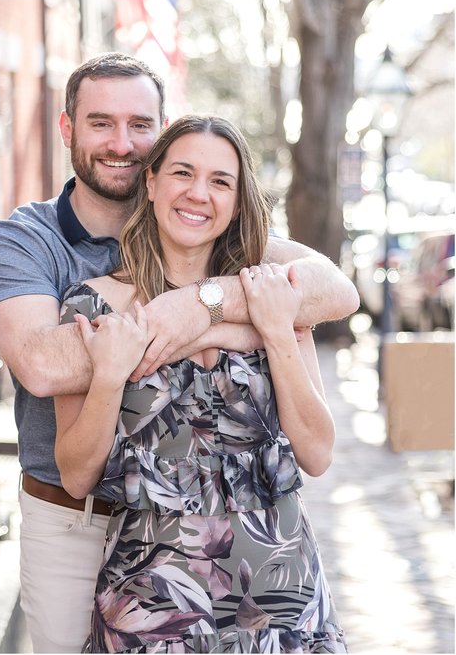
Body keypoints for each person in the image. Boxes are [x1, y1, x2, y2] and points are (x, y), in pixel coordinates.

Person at [0, 53, 358, 653]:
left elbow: (337, 296)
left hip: (277, 584)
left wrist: (209, 313)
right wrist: (210, 323)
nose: (121, 142)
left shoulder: (269, 291)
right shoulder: (36, 252)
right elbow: (43, 368)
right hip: (123, 561)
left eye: (139, 125)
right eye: (101, 122)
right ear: (68, 128)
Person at [55, 114, 346, 652]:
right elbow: (75, 476)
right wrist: (108, 378)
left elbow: (318, 452)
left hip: (280, 593)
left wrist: (277, 331)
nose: (198, 194)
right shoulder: (95, 306)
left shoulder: (271, 295)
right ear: (151, 181)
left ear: (238, 200)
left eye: (220, 181)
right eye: (183, 173)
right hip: (152, 600)